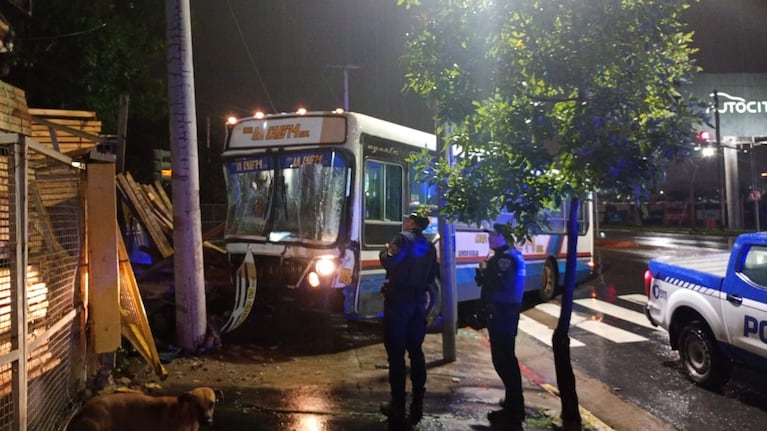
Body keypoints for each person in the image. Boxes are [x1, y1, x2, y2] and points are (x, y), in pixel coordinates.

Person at [378, 211, 438, 428]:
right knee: (416, 351)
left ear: (412, 222)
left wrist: (384, 252)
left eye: (407, 219)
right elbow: (432, 276)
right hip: (418, 303)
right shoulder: (429, 246)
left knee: (396, 353)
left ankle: (398, 404)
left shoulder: (401, 238)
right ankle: (418, 404)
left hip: (399, 301)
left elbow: (390, 262)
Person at [475, 223, 526, 430]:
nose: (490, 238)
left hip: (503, 316)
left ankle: (514, 410)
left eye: (494, 235)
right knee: (505, 359)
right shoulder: (502, 256)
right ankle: (512, 401)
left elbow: (503, 289)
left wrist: (490, 309)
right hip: (502, 315)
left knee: (503, 360)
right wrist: (482, 273)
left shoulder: (504, 259)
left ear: (503, 237)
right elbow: (488, 283)